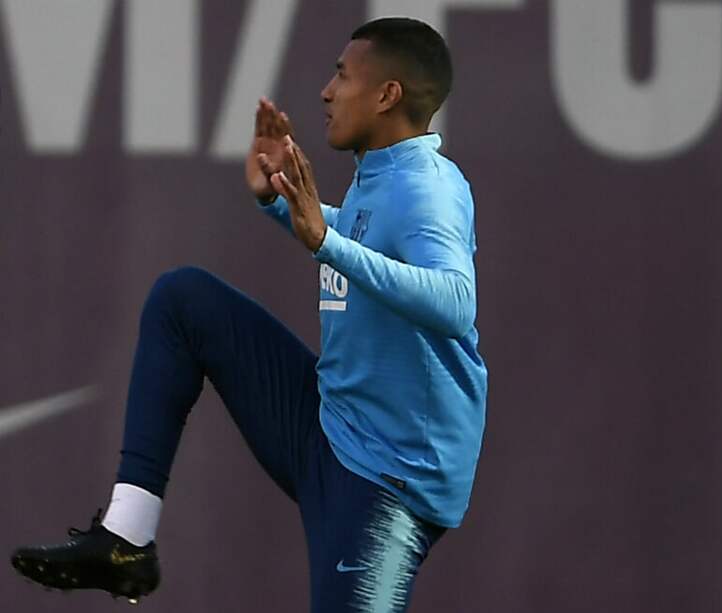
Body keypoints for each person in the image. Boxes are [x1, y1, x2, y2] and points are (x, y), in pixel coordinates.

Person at [10, 17, 486, 612]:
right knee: (185, 301)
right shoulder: (382, 174)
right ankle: (127, 539)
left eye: (343, 74)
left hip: (389, 482)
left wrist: (325, 243)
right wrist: (278, 202)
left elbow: (454, 302)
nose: (326, 90)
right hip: (331, 426)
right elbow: (352, 237)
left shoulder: (426, 187)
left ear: (388, 94)